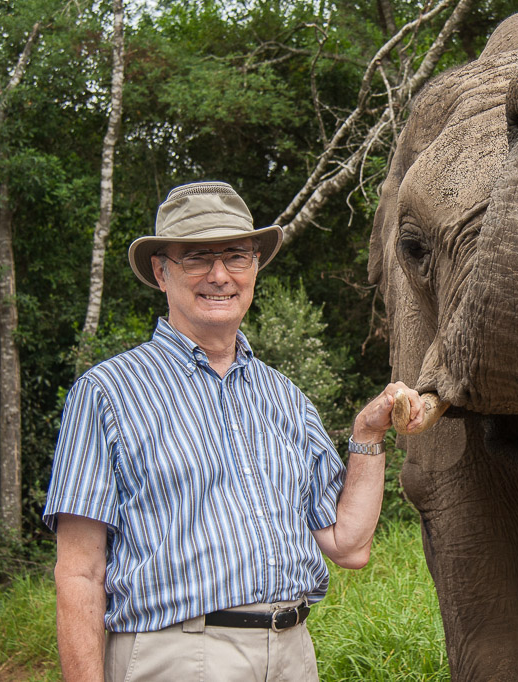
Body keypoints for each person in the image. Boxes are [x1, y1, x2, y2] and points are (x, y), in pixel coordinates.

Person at [44, 180, 425, 681]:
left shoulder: (284, 398)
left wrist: (367, 435)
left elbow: (348, 545)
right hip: (177, 656)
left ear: (254, 268)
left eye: (236, 256)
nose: (220, 275)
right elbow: (79, 572)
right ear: (161, 271)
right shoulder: (107, 393)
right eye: (198, 258)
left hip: (292, 652)